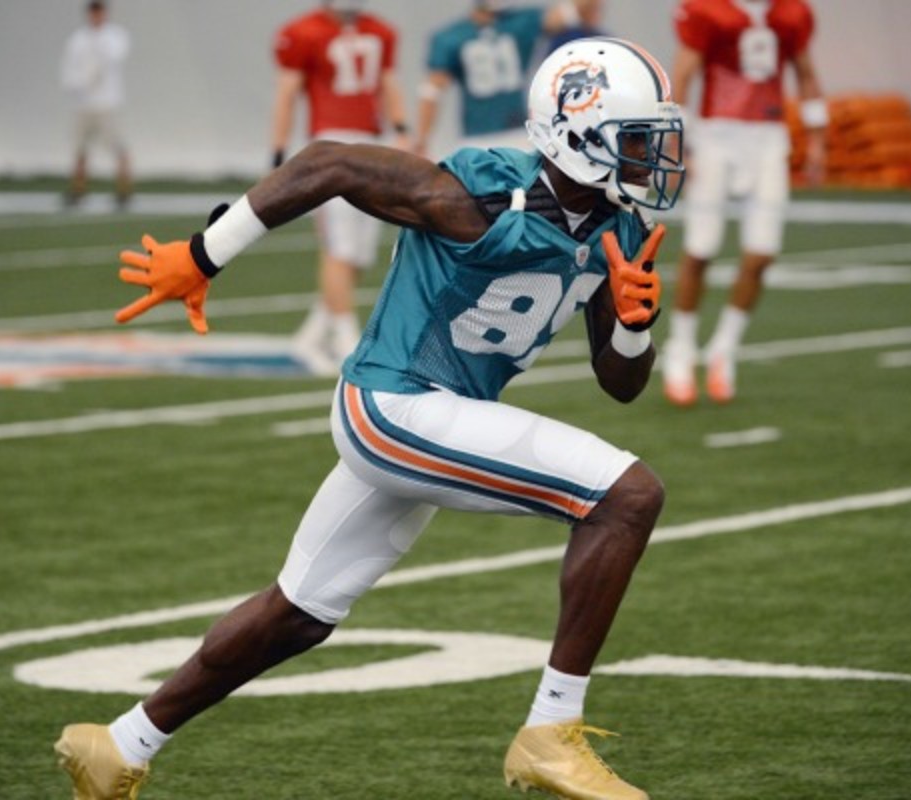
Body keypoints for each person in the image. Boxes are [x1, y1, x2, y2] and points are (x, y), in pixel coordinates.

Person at [55, 36, 685, 800]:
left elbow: (621, 383)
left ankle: (117, 746)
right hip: (396, 405)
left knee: (298, 613)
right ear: (577, 131)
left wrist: (633, 323)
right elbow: (330, 164)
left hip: (436, 418)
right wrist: (204, 252)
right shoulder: (485, 195)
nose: (654, 158)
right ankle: (550, 732)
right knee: (627, 496)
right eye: (638, 139)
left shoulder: (617, 229)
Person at [661, 0, 826, 406]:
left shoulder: (791, 12)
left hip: (768, 139)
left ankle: (724, 348)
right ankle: (680, 349)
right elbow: (684, 72)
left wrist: (818, 137)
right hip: (716, 136)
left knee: (763, 253)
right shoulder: (707, 10)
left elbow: (805, 72)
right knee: (701, 248)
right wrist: (678, 142)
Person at [270, 0, 410, 372]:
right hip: (329, 142)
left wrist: (400, 129)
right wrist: (279, 149)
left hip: (370, 141)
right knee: (338, 247)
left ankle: (313, 334)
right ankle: (349, 341)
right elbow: (288, 91)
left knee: (359, 254)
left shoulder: (379, 30)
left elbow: (387, 83)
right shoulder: (303, 31)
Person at [413, 0, 594, 159]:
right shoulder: (523, 23)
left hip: (491, 136)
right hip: (511, 136)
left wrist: (421, 139)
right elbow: (576, 8)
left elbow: (432, 92)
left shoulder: (451, 35)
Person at [60, 0, 132, 208]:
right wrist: (75, 84)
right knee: (80, 147)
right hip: (84, 103)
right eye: (93, 12)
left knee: (117, 146)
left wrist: (97, 59)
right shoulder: (78, 39)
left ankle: (124, 190)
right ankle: (78, 190)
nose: (96, 16)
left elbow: (115, 56)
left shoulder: (114, 36)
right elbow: (69, 67)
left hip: (108, 103)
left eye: (99, 12)